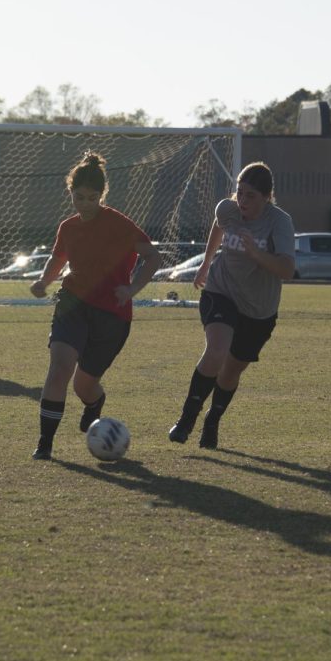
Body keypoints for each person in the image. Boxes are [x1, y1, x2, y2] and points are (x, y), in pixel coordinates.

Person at [28, 151, 162, 460]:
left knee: (84, 386)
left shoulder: (118, 224)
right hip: (72, 303)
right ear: (70, 192)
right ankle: (45, 444)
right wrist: (44, 282)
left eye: (91, 198)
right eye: (79, 197)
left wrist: (131, 288)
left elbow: (153, 257)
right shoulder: (68, 227)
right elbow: (57, 258)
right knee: (59, 368)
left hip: (112, 314)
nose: (84, 204)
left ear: (101, 196)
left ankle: (94, 404)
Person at [168, 161, 295, 449]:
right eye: (240, 192)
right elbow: (219, 224)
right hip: (220, 291)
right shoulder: (228, 209)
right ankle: (186, 420)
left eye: (251, 195)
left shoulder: (279, 222)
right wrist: (206, 262)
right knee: (216, 351)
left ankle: (212, 422)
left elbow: (287, 269)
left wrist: (255, 253)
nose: (242, 200)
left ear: (266, 197)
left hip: (259, 310)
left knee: (231, 371)